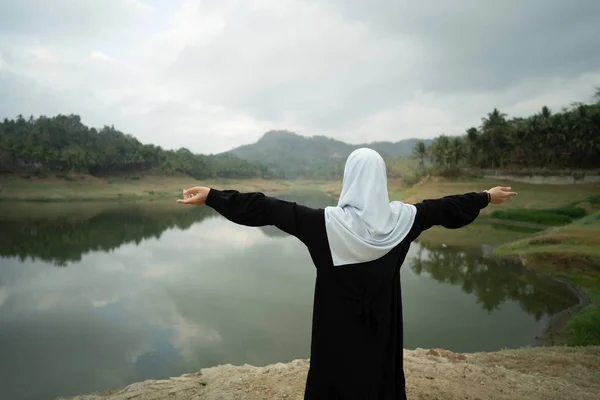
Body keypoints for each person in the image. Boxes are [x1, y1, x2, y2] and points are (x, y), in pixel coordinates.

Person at [176, 148, 517, 400]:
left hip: (335, 327)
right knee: (379, 374)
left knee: (335, 376)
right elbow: (447, 207)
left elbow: (264, 208)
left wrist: (212, 197)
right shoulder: (405, 219)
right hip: (382, 321)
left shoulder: (323, 224)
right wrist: (486, 196)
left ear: (349, 179)